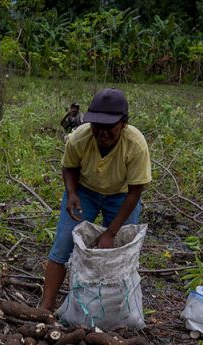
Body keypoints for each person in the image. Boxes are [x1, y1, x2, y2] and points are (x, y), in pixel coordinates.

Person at [41, 88, 151, 311]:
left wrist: (110, 232)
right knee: (63, 245)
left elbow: (135, 192)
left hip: (121, 196)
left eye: (109, 126)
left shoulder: (135, 145)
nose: (102, 132)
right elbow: (69, 167)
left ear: (123, 123)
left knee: (120, 251)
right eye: (96, 125)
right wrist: (72, 193)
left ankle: (116, 310)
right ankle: (46, 305)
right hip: (85, 191)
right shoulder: (79, 137)